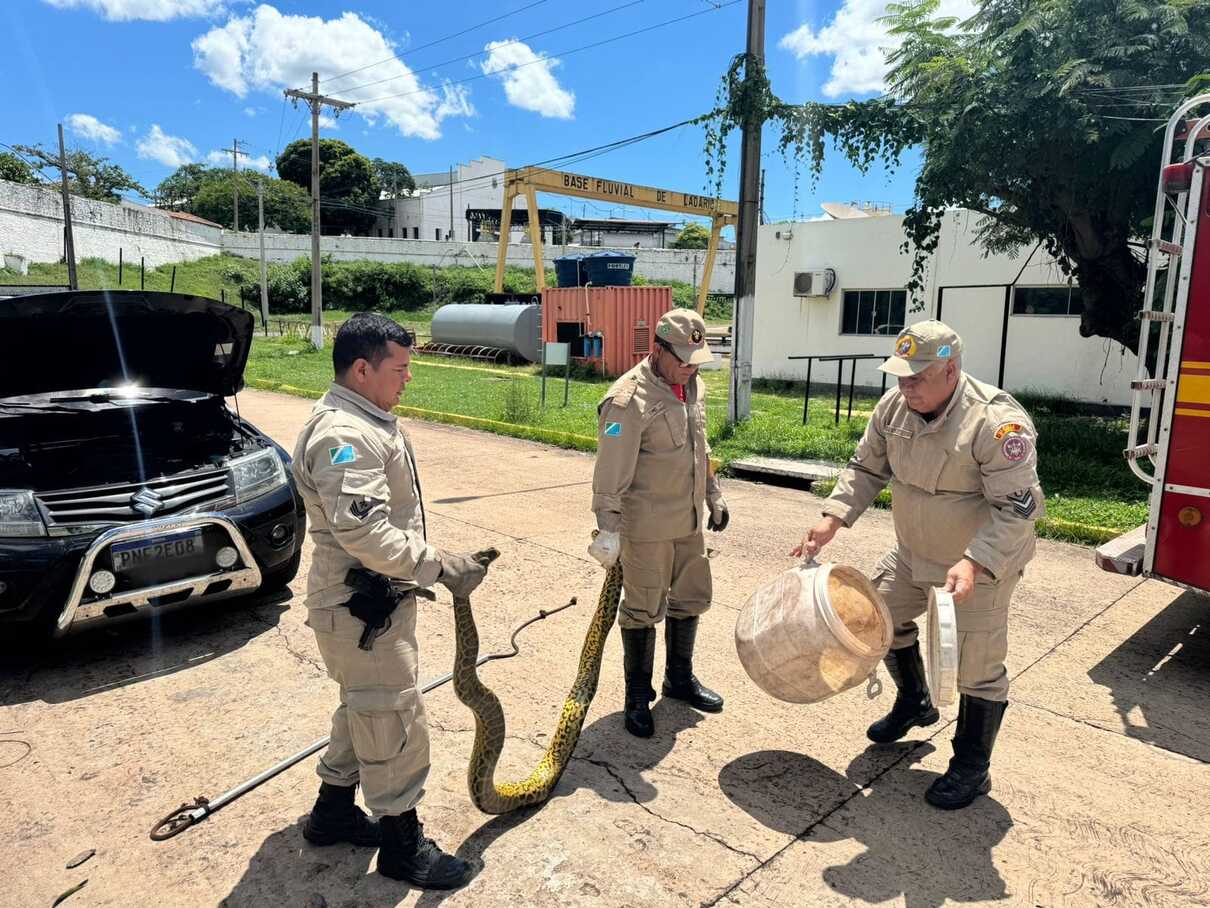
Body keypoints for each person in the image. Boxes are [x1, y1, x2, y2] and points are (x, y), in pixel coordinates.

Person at [793, 320, 1044, 810]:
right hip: (913, 554)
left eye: (917, 377)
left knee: (977, 668)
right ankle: (914, 701)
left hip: (978, 567)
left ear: (950, 370)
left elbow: (1019, 509)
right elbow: (867, 467)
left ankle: (972, 766)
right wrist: (833, 518)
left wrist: (975, 562)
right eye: (900, 376)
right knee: (875, 618)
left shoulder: (997, 423)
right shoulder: (894, 407)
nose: (905, 386)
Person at [291, 313, 489, 890]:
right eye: (399, 368)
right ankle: (403, 848)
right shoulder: (345, 436)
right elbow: (365, 533)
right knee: (394, 718)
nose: (408, 379)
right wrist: (440, 566)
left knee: (366, 707)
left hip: (370, 605)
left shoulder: (363, 420)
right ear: (361, 369)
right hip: (360, 613)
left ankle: (330, 814)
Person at [588, 309, 730, 738]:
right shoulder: (628, 400)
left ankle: (679, 680)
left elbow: (699, 449)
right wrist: (608, 529)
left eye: (696, 359)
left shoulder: (693, 386)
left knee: (691, 598)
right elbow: (610, 473)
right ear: (658, 349)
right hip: (646, 527)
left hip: (687, 520)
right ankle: (637, 696)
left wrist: (713, 495)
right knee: (643, 609)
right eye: (683, 358)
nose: (690, 367)